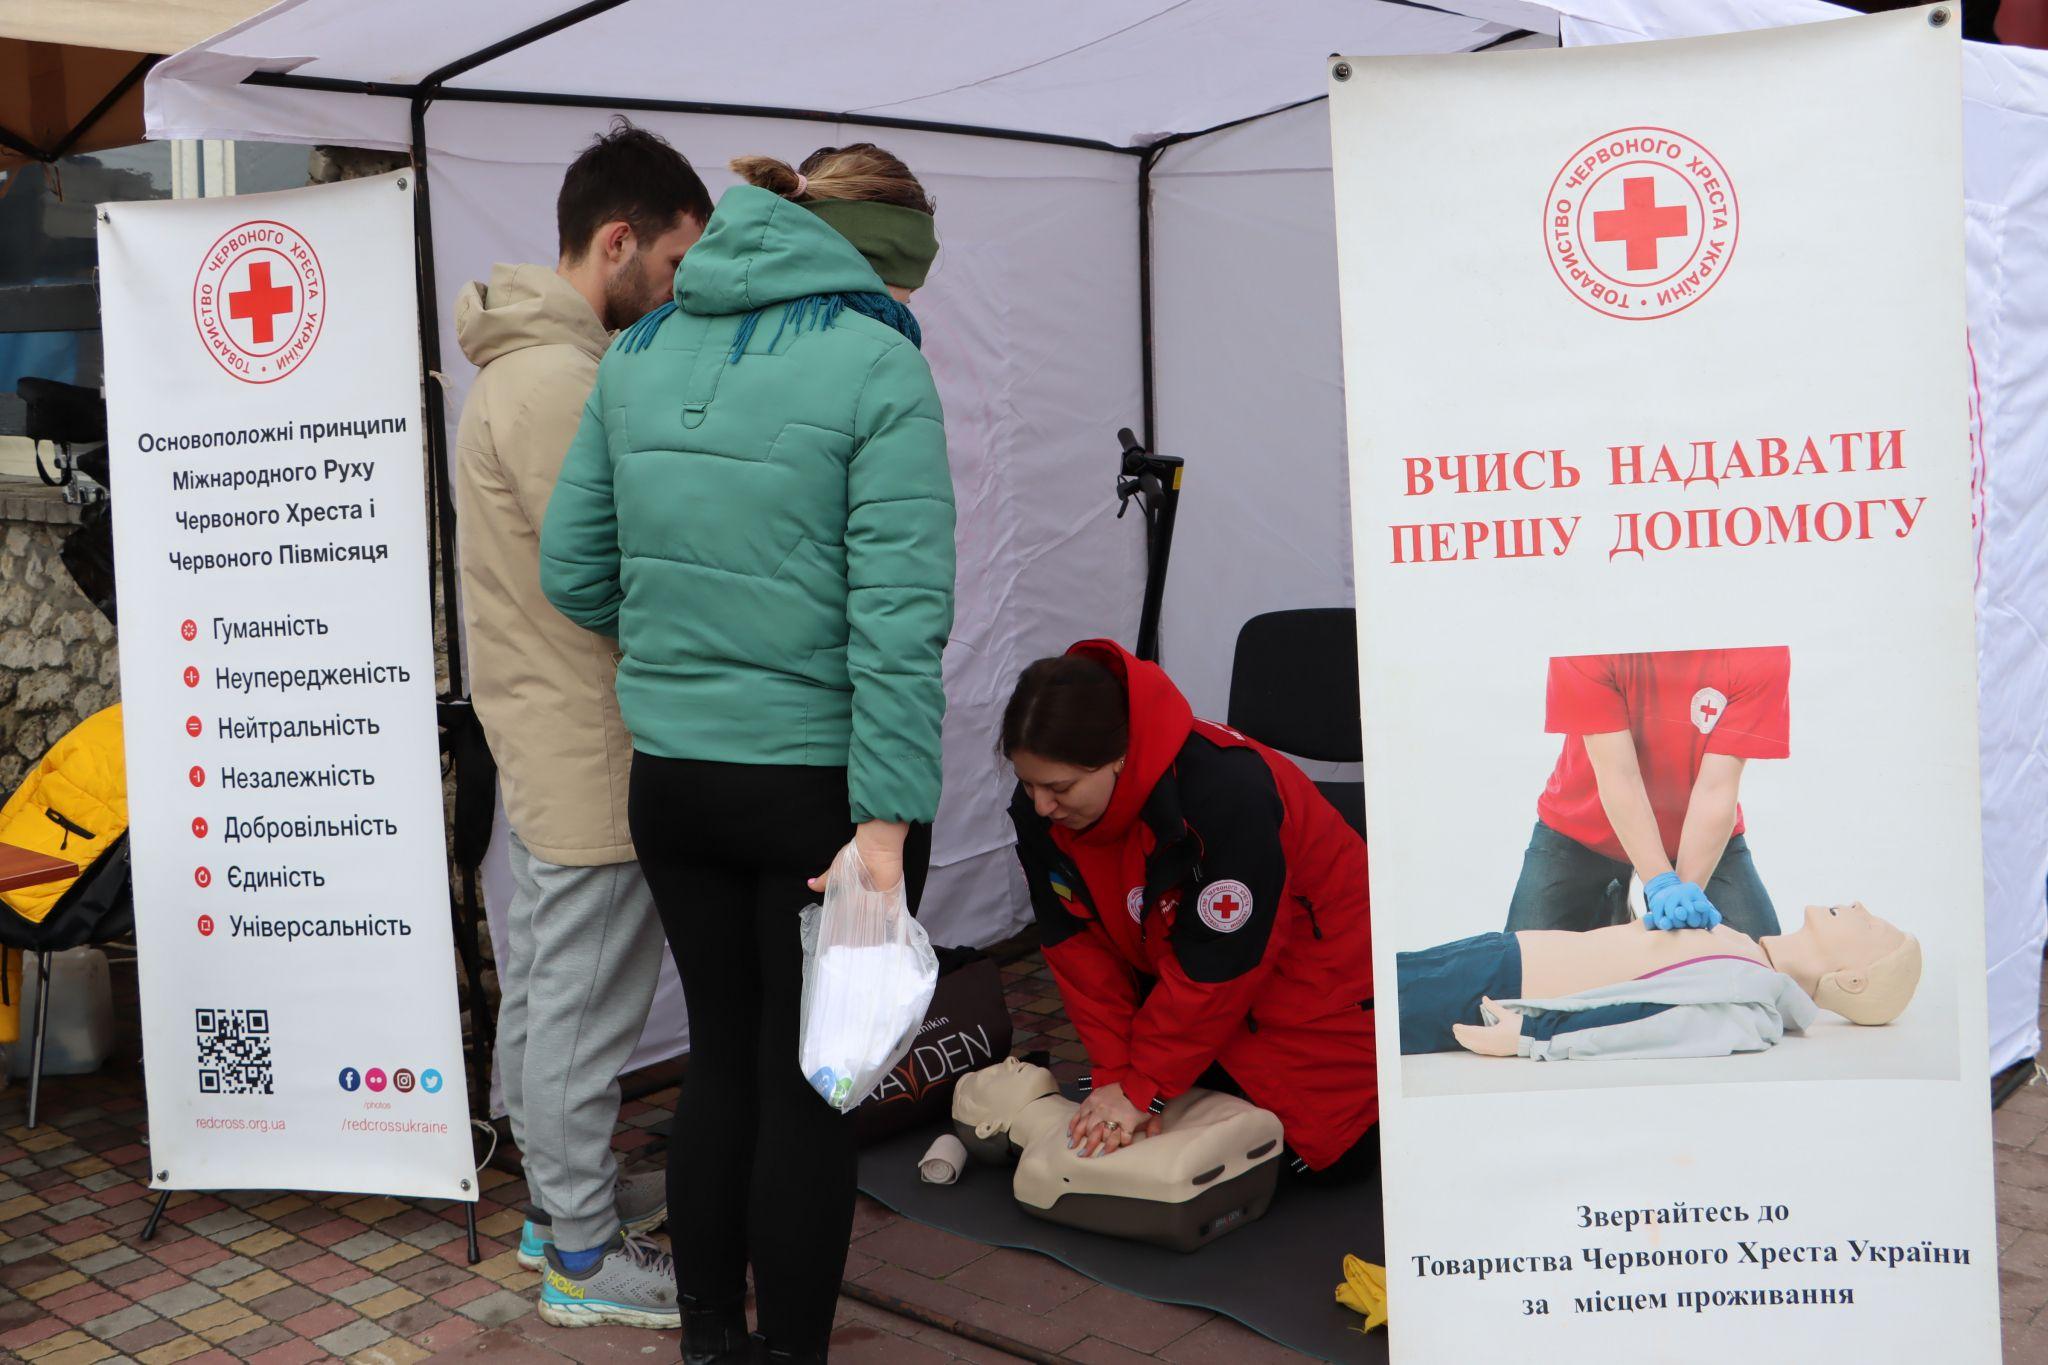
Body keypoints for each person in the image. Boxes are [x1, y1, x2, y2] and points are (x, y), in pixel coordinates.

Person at [540, 143, 954, 1365]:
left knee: (719, 1063)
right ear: (882, 260)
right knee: (810, 1092)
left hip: (674, 780)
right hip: (824, 794)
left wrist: (687, 644)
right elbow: (898, 618)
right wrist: (883, 826)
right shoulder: (879, 363)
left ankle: (710, 1339)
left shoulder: (636, 350)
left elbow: (573, 569)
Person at [451, 118, 711, 1329]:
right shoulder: (557, 382)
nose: (674, 293)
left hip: (557, 731)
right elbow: (611, 569)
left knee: (554, 992)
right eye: (669, 268)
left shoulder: (528, 366)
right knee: (578, 1011)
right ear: (617, 242)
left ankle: (559, 1214)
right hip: (590, 742)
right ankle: (582, 1260)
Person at [1001, 641, 1378, 1185]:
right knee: (1143, 1141)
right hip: (1198, 979)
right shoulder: (1043, 811)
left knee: (1310, 1158)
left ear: (1121, 757)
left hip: (1315, 987)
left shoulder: (1225, 793)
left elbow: (1221, 964)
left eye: (1059, 787)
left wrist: (1142, 1085)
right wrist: (1115, 1076)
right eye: (1027, 783)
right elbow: (1076, 946)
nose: (1040, 807)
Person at [1506, 647, 1791, 937]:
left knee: (1759, 964)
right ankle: (1613, 903)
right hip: (1581, 829)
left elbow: (1715, 788)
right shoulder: (1587, 638)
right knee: (1522, 966)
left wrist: (1682, 900)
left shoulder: (1757, 648)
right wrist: (1661, 885)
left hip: (1698, 839)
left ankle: (1617, 908)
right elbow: (1620, 775)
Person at [1398, 902, 1921, 1058]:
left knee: (1349, 1008)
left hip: (1493, 989)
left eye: (1870, 922)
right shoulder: (1745, 951)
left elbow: (1649, 1028)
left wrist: (1535, 1036)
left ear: (1852, 980)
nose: (1858, 907)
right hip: (1499, 955)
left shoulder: (1752, 1004)